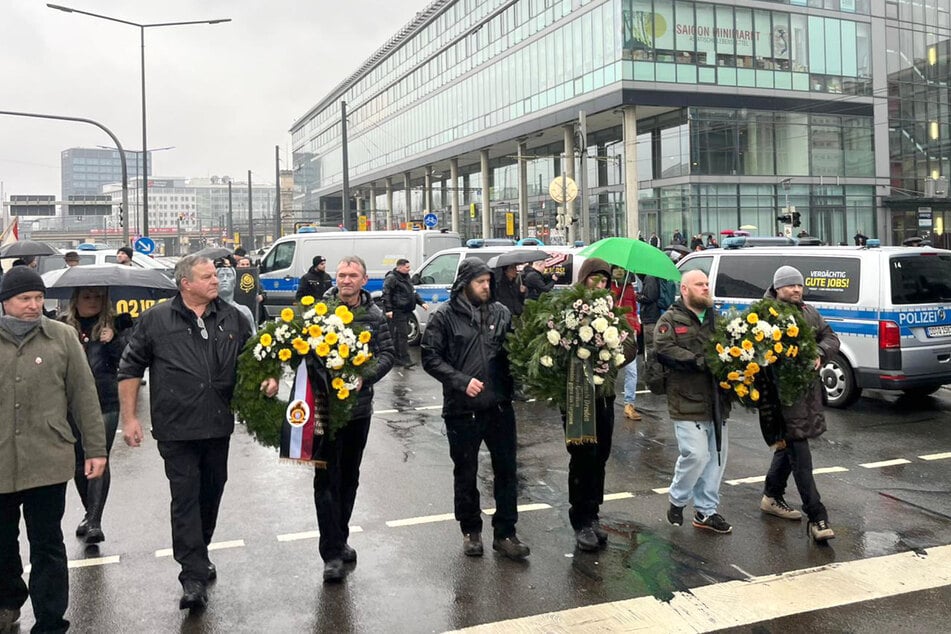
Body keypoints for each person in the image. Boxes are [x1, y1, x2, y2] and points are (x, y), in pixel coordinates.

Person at [118, 255, 252, 610]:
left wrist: (265, 380)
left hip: (217, 425)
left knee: (211, 493)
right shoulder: (157, 319)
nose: (216, 280)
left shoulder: (233, 316)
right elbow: (130, 368)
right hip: (176, 427)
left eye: (215, 275)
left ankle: (200, 550)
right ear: (185, 283)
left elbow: (254, 360)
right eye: (207, 276)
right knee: (186, 498)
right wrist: (129, 418)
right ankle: (192, 577)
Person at [264, 256, 395, 583]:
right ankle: (331, 553)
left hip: (358, 409)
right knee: (325, 479)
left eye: (353, 275)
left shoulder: (375, 317)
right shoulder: (317, 313)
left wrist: (366, 376)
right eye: (342, 275)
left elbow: (388, 354)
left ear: (364, 280)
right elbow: (293, 350)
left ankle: (341, 536)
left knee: (349, 477)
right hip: (322, 408)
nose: (346, 280)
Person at [0, 267, 107, 633]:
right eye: (24, 299)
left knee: (46, 543)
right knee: (1, 543)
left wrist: (96, 449)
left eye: (38, 298)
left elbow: (84, 396)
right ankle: (8, 598)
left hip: (48, 457)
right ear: (5, 302)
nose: (33, 306)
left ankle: (49, 621)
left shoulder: (61, 337)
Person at [421, 258, 530, 561]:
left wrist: (522, 378)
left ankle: (506, 533)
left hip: (498, 407)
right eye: (480, 281)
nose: (486, 286)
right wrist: (460, 381)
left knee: (507, 472)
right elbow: (430, 357)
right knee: (466, 473)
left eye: (488, 281)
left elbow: (514, 353)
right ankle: (471, 531)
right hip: (461, 409)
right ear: (465, 283)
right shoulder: (444, 316)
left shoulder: (501, 313)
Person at [760, 266, 840, 543]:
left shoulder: (809, 312)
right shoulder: (764, 316)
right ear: (778, 287)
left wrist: (819, 352)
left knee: (790, 446)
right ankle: (817, 517)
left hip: (807, 394)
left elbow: (831, 337)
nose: (796, 289)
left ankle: (771, 495)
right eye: (790, 285)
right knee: (801, 455)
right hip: (780, 398)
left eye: (799, 285)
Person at [562, 258, 635, 551]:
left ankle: (593, 514)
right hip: (577, 397)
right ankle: (580, 520)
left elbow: (630, 345)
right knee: (583, 456)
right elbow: (557, 347)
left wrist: (612, 349)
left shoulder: (614, 312)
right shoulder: (569, 309)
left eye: (605, 281)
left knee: (601, 454)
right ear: (584, 279)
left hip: (604, 395)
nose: (601, 285)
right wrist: (586, 351)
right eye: (596, 279)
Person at [655, 269, 733, 534]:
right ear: (685, 289)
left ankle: (706, 511)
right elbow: (664, 349)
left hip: (716, 398)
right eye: (699, 284)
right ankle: (677, 500)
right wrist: (698, 361)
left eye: (707, 284)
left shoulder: (717, 318)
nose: (705, 288)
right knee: (697, 455)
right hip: (686, 398)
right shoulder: (670, 319)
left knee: (717, 459)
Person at [60, 288, 132, 545]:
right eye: (87, 297)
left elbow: (127, 362)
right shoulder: (62, 327)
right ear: (76, 300)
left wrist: (113, 339)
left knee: (98, 456)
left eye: (98, 297)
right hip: (70, 405)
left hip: (105, 400)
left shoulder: (116, 326)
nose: (93, 302)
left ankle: (95, 521)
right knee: (79, 461)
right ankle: (90, 512)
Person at [382, 258, 428, 368]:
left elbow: (413, 292)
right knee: (402, 335)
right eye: (407, 267)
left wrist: (422, 303)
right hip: (397, 310)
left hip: (406, 310)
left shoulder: (406, 277)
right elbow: (386, 294)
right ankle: (405, 359)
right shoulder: (392, 278)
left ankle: (397, 358)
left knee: (400, 336)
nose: (409, 269)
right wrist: (389, 310)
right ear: (400, 267)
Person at [611, 267, 641, 421]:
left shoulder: (629, 288)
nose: (620, 272)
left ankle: (630, 404)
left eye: (622, 270)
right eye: (616, 269)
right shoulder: (609, 287)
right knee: (611, 368)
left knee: (632, 370)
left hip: (630, 333)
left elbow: (635, 309)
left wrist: (636, 327)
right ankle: (607, 400)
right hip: (614, 333)